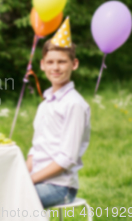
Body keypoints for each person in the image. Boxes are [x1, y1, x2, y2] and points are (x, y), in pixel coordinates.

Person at [26, 18, 90, 208]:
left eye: (62, 62)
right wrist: (22, 175)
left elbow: (67, 158)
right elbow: (35, 149)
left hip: (60, 187)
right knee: (2, 193)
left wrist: (30, 180)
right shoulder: (45, 104)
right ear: (43, 64)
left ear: (74, 64)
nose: (55, 67)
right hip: (37, 179)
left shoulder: (74, 104)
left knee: (15, 202)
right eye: (51, 62)